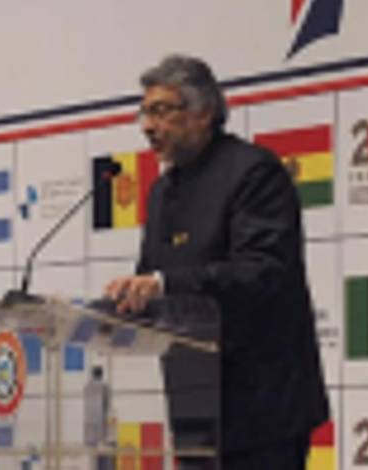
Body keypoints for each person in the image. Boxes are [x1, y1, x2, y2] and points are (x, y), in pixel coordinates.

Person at [105, 55, 329, 470]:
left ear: (204, 112)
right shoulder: (162, 191)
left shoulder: (254, 173)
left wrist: (163, 285)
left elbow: (262, 272)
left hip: (263, 411)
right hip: (194, 411)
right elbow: (151, 278)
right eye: (144, 113)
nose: (148, 126)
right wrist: (117, 307)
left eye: (161, 111)